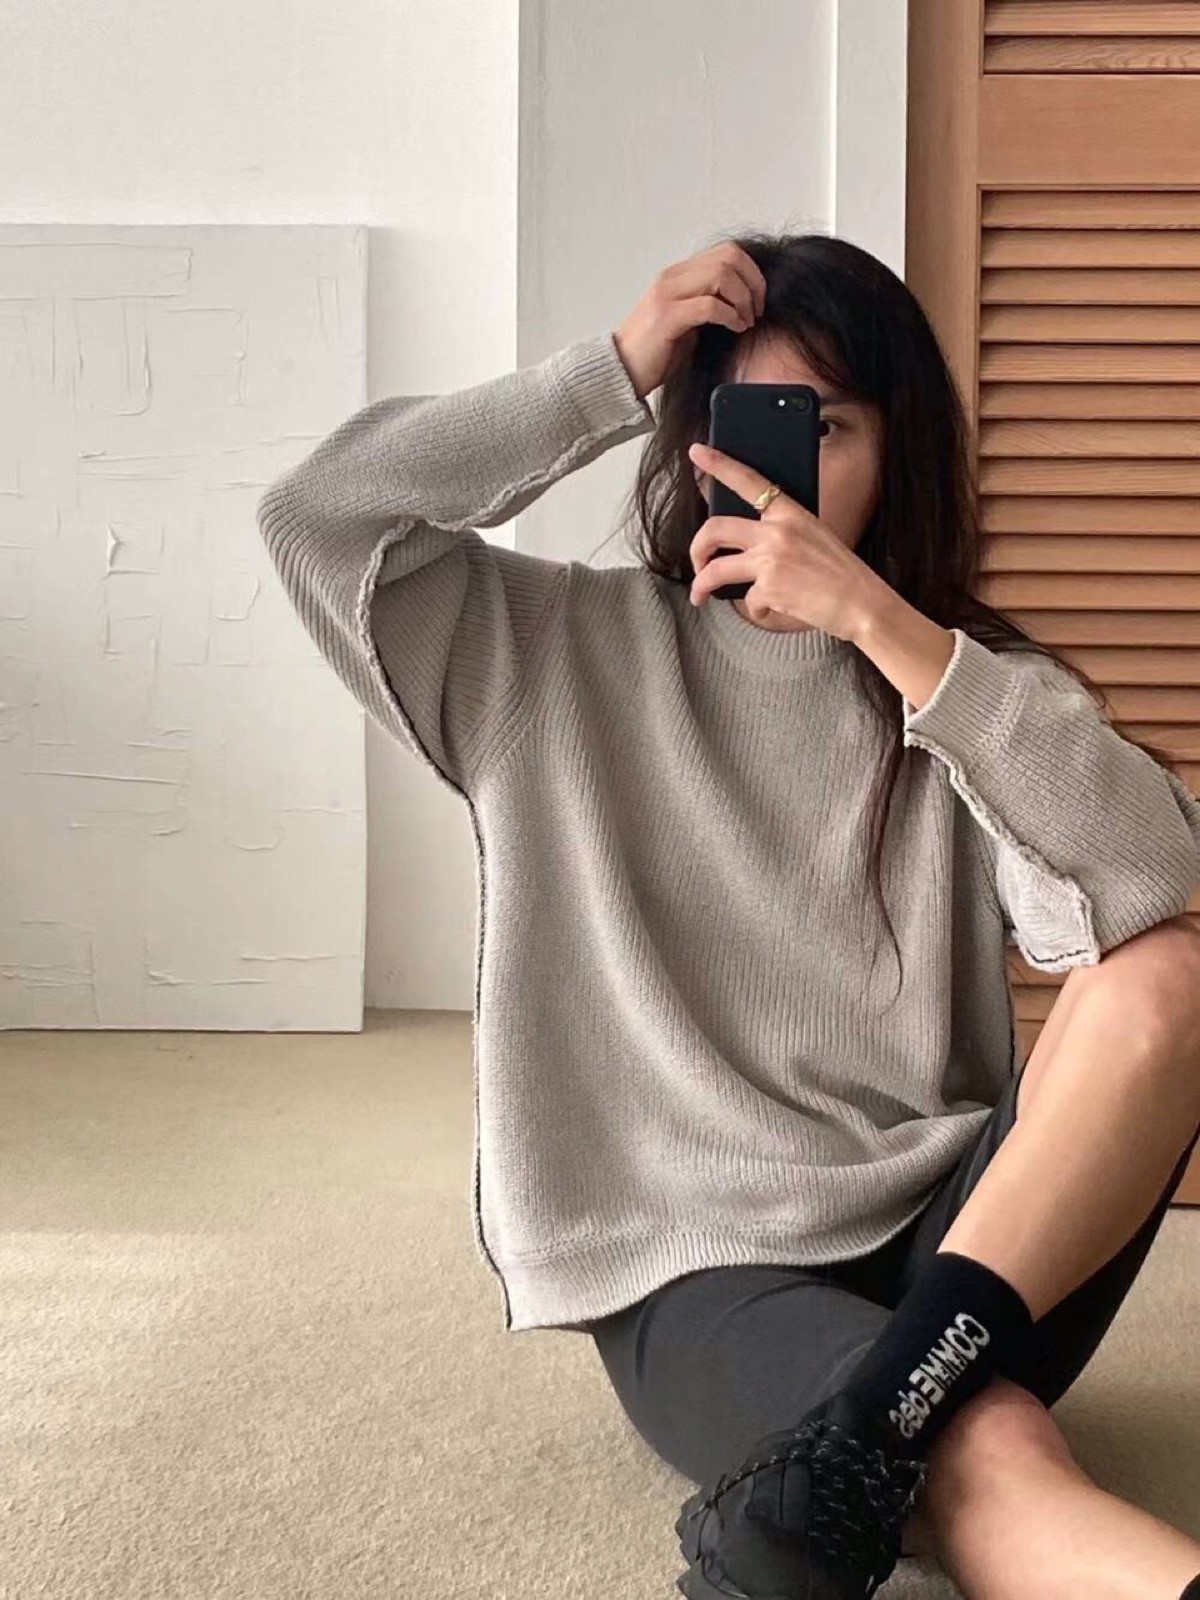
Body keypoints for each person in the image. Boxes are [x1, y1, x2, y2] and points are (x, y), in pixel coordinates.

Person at [256, 231, 1200, 1600]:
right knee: (989, 1446)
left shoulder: (959, 685)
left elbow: (1152, 877)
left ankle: (844, 1457)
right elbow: (317, 519)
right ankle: (887, 1439)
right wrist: (608, 367)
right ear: (688, 434)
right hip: (701, 1261)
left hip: (969, 1245)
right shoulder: (547, 651)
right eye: (750, 422)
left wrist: (887, 630)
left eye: (830, 426)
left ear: (900, 452)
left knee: (1172, 976)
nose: (781, 468)